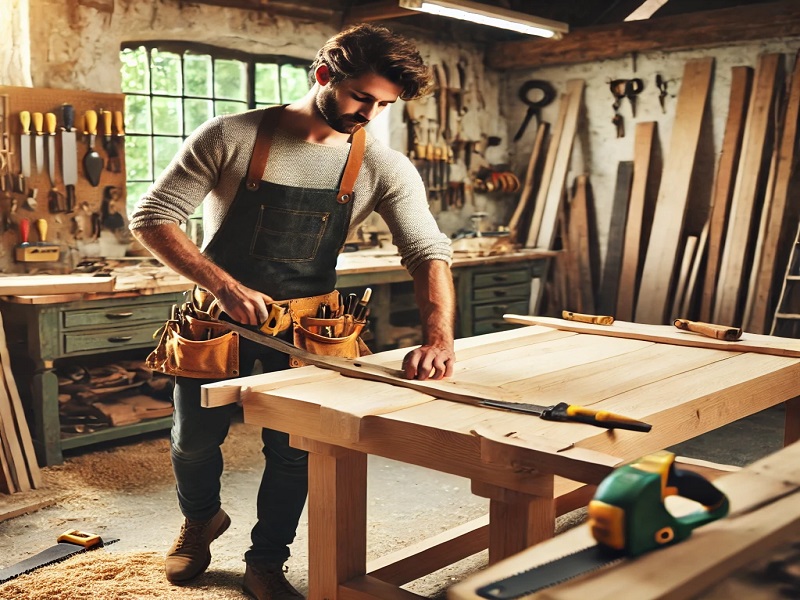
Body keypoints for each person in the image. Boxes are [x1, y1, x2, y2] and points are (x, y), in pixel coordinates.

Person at [129, 23, 456, 600]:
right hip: (216, 321)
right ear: (325, 75)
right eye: (362, 98)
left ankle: (267, 560)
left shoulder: (384, 166)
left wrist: (439, 337)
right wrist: (225, 286)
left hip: (310, 332)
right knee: (192, 441)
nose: (369, 116)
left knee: (292, 453)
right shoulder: (228, 136)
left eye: (383, 106)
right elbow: (152, 216)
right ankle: (200, 520)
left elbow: (427, 252)